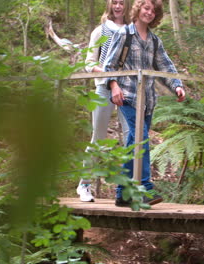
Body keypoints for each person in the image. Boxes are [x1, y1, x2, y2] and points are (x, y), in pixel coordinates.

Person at [103, 0, 186, 206]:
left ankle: (123, 192)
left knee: (134, 141)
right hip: (128, 96)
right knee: (140, 139)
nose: (149, 12)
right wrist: (114, 86)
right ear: (138, 9)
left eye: (153, 10)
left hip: (148, 100)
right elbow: (109, 64)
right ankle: (145, 189)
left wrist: (176, 85)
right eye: (146, 8)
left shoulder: (154, 41)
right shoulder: (124, 34)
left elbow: (165, 65)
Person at [77, 0, 132, 202]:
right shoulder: (100, 31)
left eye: (121, 2)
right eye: (114, 2)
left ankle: (127, 189)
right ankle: (84, 185)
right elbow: (89, 63)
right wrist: (108, 73)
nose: (118, 6)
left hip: (127, 89)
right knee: (98, 137)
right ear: (110, 5)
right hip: (103, 87)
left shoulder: (131, 30)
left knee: (131, 137)